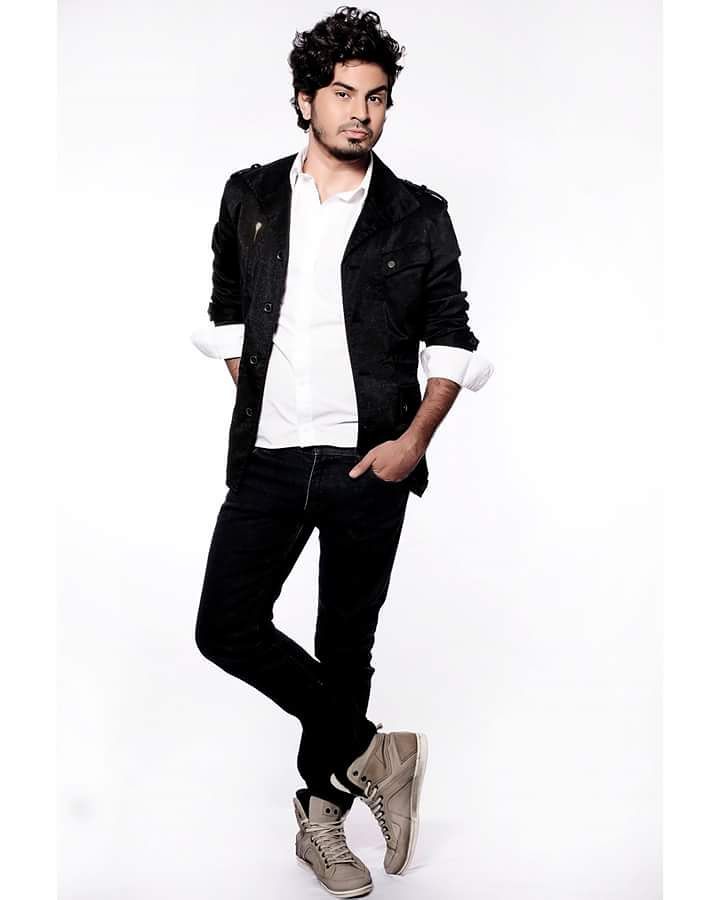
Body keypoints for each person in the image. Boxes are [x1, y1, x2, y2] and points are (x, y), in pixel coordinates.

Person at [191, 6, 493, 896]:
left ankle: (319, 815)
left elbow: (452, 336)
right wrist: (262, 394)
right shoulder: (250, 196)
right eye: (342, 93)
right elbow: (228, 310)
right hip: (271, 457)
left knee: (344, 644)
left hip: (370, 463)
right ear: (305, 100)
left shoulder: (417, 215)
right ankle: (377, 752)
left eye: (377, 98)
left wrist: (412, 442)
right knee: (225, 627)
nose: (361, 112)